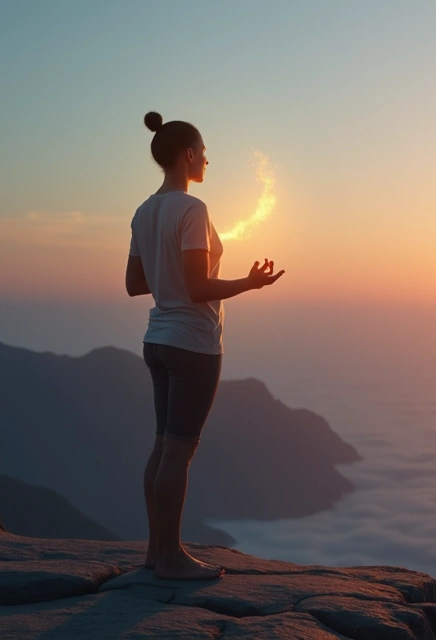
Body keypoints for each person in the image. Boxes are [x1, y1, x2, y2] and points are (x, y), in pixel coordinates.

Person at [125, 111, 284, 579]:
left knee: (161, 447)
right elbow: (197, 287)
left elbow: (136, 283)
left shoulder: (143, 211)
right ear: (188, 154)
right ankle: (172, 558)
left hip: (156, 340)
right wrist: (248, 284)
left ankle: (156, 552)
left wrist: (168, 281)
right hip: (193, 343)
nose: (208, 160)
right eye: (204, 152)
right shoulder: (192, 209)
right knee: (179, 452)